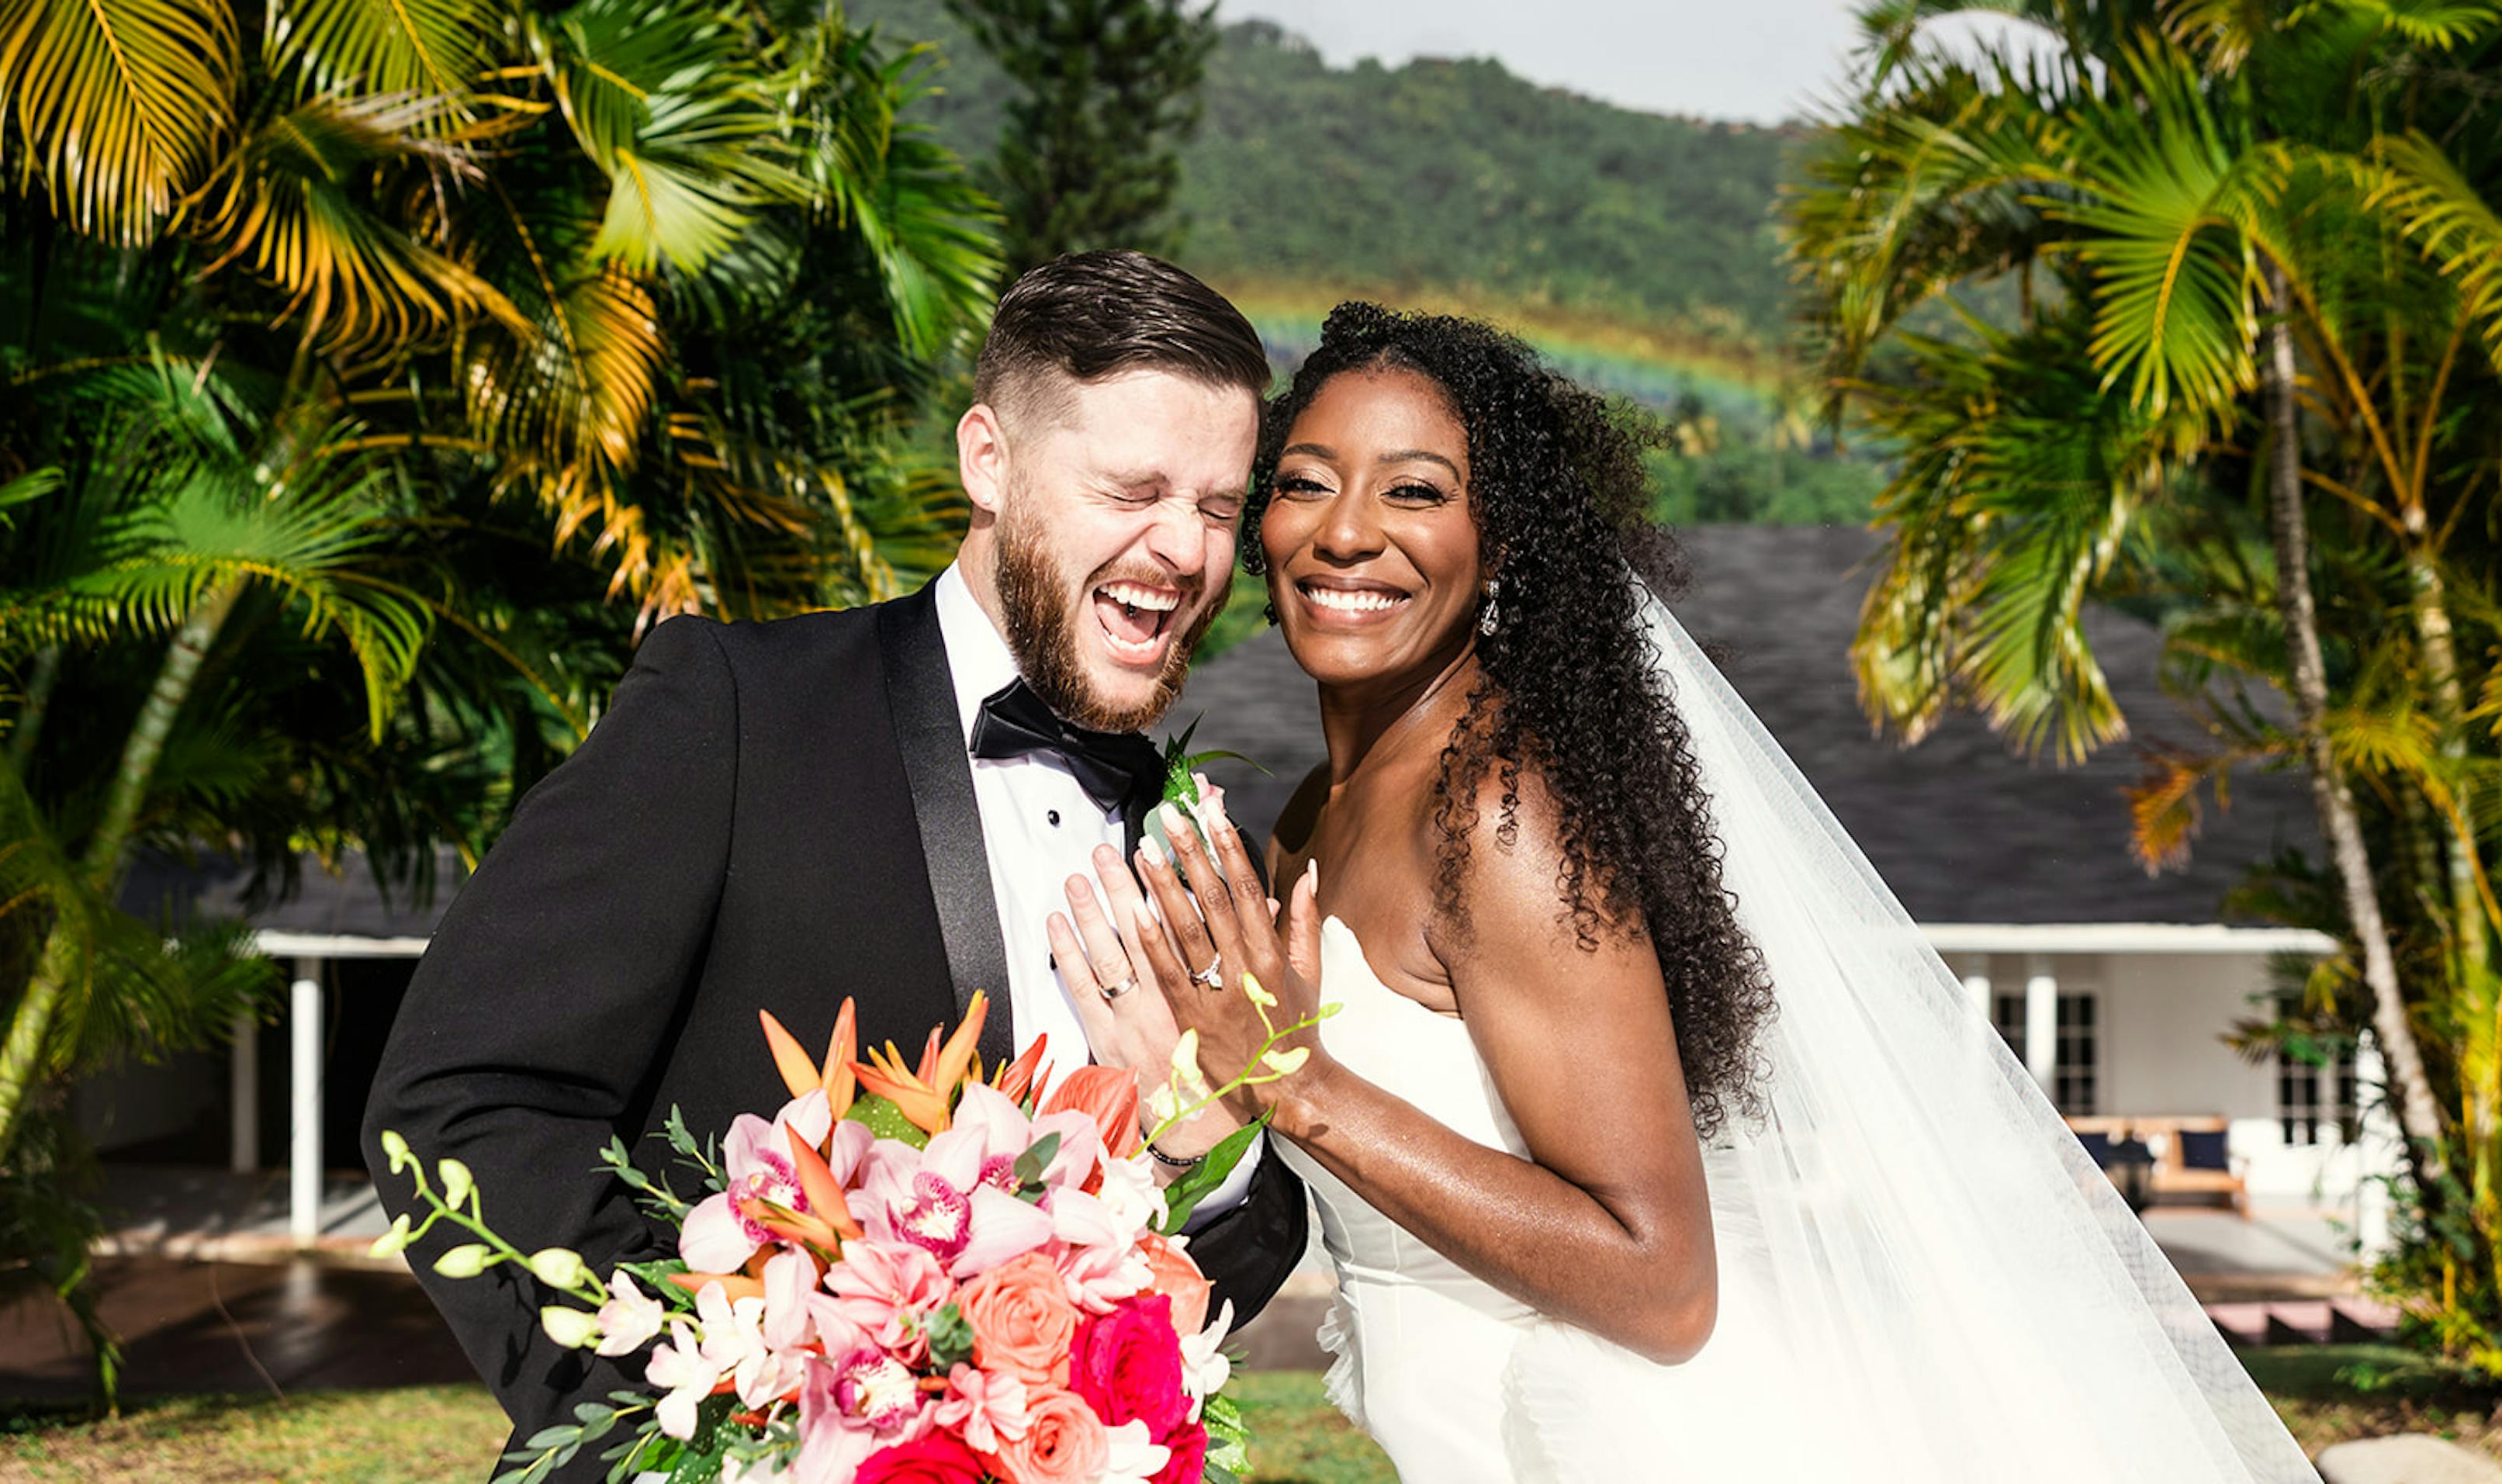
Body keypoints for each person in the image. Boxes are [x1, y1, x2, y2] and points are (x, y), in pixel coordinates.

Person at [1057, 303, 2323, 1482]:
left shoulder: (1498, 817)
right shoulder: (1310, 818)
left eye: (1417, 491)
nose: (1345, 530)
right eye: (1304, 482)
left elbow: (1665, 1284)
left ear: (1499, 544)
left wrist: (1296, 1085)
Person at [360, 251, 1309, 1482]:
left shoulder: (1188, 840)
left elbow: (1202, 1287)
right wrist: (697, 1422)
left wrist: (1218, 1147)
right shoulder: (733, 711)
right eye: (1135, 489)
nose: (1184, 549)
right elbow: (462, 1097)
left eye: (1221, 506)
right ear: (990, 460)